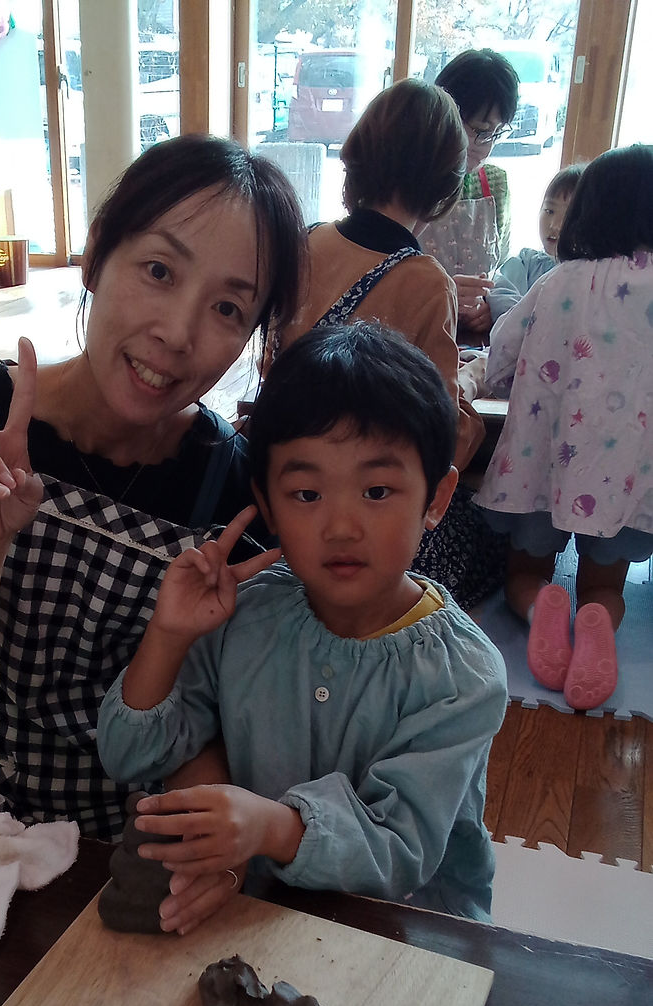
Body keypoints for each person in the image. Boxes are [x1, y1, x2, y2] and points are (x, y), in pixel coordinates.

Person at [0, 134, 307, 849]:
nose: (177, 333)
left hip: (139, 835)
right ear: (95, 253)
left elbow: (212, 721)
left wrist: (204, 852)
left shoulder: (232, 491)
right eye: (158, 270)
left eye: (228, 309)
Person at [98, 322, 509, 928]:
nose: (341, 527)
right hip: (258, 908)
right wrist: (169, 634)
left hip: (407, 926)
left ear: (437, 498)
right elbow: (129, 755)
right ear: (267, 503)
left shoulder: (462, 676)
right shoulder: (245, 615)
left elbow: (400, 849)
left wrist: (270, 827)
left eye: (377, 490)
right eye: (307, 494)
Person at [270, 77, 506, 610]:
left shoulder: (308, 241)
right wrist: (472, 377)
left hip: (290, 486)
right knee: (492, 539)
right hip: (366, 497)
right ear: (445, 188)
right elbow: (442, 433)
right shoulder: (427, 282)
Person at [475, 144, 653, 711]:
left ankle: (540, 607)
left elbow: (501, 349)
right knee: (604, 584)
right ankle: (595, 618)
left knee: (524, 571)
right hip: (627, 479)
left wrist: (481, 380)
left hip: (543, 467)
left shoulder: (560, 281)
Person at [420, 48, 520, 337]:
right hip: (415, 333)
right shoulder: (412, 179)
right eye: (480, 130)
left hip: (471, 343)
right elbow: (380, 275)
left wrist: (491, 307)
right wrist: (440, 293)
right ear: (445, 114)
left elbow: (502, 271)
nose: (486, 148)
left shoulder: (495, 182)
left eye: (496, 133)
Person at [486, 164, 584, 323]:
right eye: (549, 211)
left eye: (568, 217)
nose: (554, 225)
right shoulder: (526, 262)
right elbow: (501, 293)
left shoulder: (592, 272)